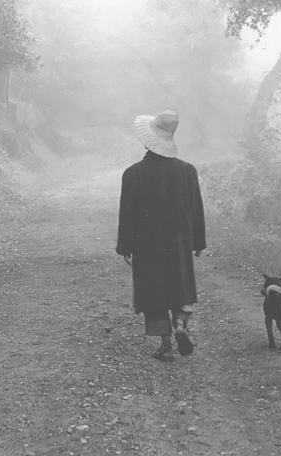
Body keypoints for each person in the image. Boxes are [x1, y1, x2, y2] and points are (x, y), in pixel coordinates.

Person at [116, 109, 206, 362]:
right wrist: (198, 242)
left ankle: (166, 345)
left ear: (148, 140)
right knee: (180, 285)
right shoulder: (188, 171)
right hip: (179, 242)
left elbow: (128, 214)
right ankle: (180, 323)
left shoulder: (133, 174)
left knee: (153, 292)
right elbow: (196, 208)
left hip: (147, 244)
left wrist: (125, 246)